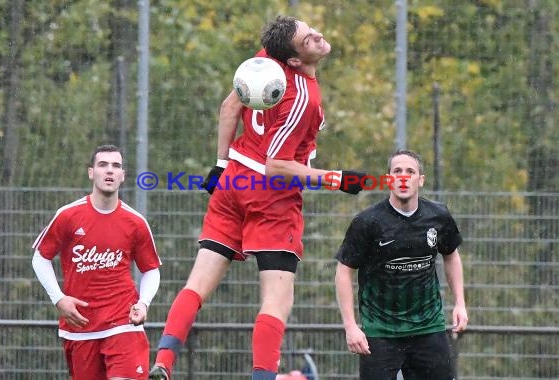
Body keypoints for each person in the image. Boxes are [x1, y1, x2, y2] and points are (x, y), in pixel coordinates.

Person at [149, 15, 367, 380]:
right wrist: (337, 178)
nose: (316, 34)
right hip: (271, 196)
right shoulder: (304, 99)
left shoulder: (266, 57)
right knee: (276, 301)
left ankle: (164, 362)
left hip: (232, 181)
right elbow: (277, 166)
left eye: (308, 28)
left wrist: (219, 165)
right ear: (294, 60)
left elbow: (228, 107)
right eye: (307, 38)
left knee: (197, 283)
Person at [334, 149, 468, 380]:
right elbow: (344, 271)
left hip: (428, 327)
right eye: (397, 171)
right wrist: (351, 326)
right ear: (388, 180)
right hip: (380, 330)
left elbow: (451, 254)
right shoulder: (368, 222)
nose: (403, 177)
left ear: (421, 180)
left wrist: (460, 303)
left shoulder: (438, 216)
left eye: (410, 171)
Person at [32, 144, 162, 380]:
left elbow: (151, 269)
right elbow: (40, 258)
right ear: (91, 172)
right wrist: (58, 298)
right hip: (81, 328)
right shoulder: (68, 215)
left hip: (124, 324)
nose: (109, 171)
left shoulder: (135, 222)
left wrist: (143, 304)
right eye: (103, 165)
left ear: (123, 176)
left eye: (116, 166)